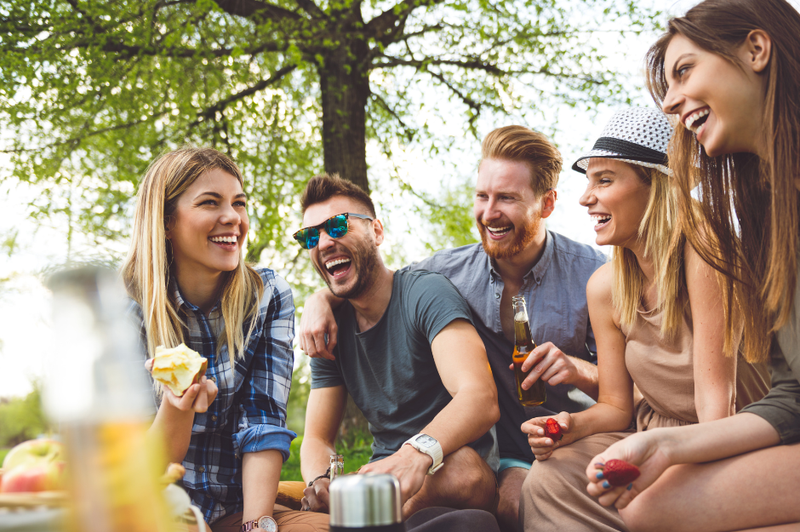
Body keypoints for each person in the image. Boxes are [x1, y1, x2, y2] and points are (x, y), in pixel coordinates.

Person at [299, 126, 607, 531]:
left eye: (507, 198)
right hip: (512, 449)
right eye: (482, 196)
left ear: (547, 203)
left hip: (578, 434)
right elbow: (377, 283)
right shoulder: (447, 272)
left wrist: (577, 369)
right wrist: (319, 300)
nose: (489, 212)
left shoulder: (594, 276)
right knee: (511, 505)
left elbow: (631, 391)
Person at [583, 1, 800, 531]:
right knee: (648, 510)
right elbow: (792, 396)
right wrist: (667, 444)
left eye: (684, 71)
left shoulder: (706, 250)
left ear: (756, 49)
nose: (671, 103)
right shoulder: (769, 221)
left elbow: (716, 396)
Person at [518, 107, 769, 532]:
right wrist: (567, 426)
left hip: (730, 434)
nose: (584, 197)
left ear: (656, 187)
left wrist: (669, 460)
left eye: (605, 179)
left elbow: (717, 406)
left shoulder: (707, 251)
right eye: (588, 180)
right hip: (652, 431)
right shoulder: (604, 287)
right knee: (549, 478)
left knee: (654, 500)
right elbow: (616, 407)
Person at [123, 147, 328, 532]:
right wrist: (177, 405)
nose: (232, 218)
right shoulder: (127, 307)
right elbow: (140, 471)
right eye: (210, 203)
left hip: (238, 509)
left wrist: (256, 524)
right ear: (166, 221)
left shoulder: (268, 294)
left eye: (239, 203)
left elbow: (263, 420)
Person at [295, 174, 500, 518]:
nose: (324, 242)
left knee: (463, 468)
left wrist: (412, 456)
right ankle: (368, 514)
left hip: (448, 465)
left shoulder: (425, 293)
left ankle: (372, 518)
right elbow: (316, 438)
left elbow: (480, 398)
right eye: (311, 236)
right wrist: (320, 481)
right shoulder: (328, 327)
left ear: (376, 232)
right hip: (380, 478)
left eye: (338, 225)